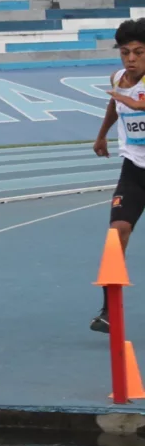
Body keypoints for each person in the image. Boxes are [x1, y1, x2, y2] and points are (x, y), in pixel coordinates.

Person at [90, 18, 145, 333]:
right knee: (117, 232)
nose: (131, 59)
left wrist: (130, 101)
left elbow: (137, 105)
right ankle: (109, 310)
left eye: (138, 52)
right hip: (134, 169)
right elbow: (114, 104)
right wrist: (102, 136)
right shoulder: (118, 78)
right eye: (125, 53)